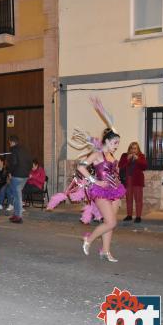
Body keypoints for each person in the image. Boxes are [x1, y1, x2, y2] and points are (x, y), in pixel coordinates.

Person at [50, 97, 125, 262]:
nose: (116, 145)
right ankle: (89, 240)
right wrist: (94, 181)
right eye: (114, 142)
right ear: (106, 141)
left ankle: (105, 251)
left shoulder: (111, 154)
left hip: (115, 190)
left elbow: (112, 125)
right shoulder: (97, 154)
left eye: (118, 143)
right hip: (100, 191)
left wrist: (103, 112)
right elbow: (80, 167)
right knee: (111, 222)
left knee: (109, 222)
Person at [118, 142, 147, 223]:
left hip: (137, 180)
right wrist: (127, 159)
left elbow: (144, 167)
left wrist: (137, 159)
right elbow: (120, 165)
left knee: (138, 199)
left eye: (135, 148)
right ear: (129, 149)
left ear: (138, 149)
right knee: (129, 198)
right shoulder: (124, 155)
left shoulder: (141, 156)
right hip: (127, 179)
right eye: (132, 148)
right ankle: (129, 215)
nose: (133, 150)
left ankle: (138, 216)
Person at [6, 135, 32, 223]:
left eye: (10, 143)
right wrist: (27, 173)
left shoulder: (14, 150)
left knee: (17, 196)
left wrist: (10, 172)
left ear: (12, 142)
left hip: (17, 175)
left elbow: (14, 163)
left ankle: (18, 216)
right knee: (16, 195)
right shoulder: (25, 150)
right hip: (25, 176)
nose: (9, 145)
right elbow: (30, 162)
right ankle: (16, 214)